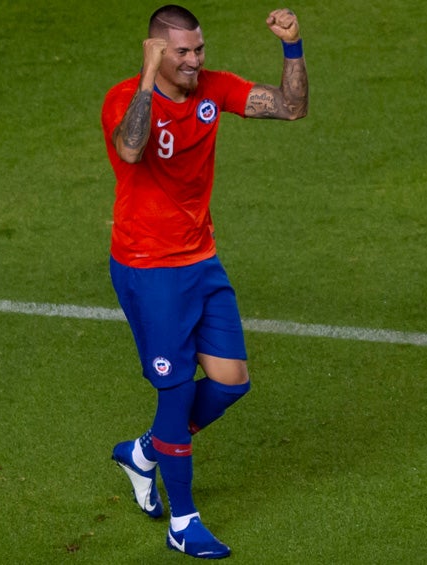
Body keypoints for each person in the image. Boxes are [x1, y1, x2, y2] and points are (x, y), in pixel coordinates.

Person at [100, 4, 308, 560]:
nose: (195, 61)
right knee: (175, 390)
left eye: (199, 49)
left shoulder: (213, 89)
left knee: (231, 380)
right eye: (182, 52)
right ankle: (183, 521)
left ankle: (144, 452)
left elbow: (290, 108)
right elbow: (130, 148)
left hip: (200, 259)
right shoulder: (125, 99)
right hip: (147, 266)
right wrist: (147, 77)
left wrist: (293, 45)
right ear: (155, 52)